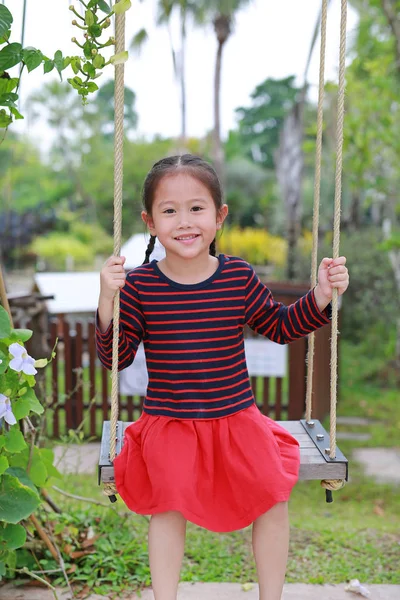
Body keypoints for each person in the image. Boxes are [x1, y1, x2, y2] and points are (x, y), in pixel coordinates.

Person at [96, 154, 349, 600]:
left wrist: (322, 295)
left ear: (219, 216)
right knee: (167, 502)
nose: (184, 221)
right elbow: (116, 359)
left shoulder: (236, 277)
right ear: (150, 222)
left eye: (197, 208)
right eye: (169, 210)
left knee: (273, 493)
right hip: (169, 422)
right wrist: (105, 302)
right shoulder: (139, 287)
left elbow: (280, 326)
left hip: (236, 418)